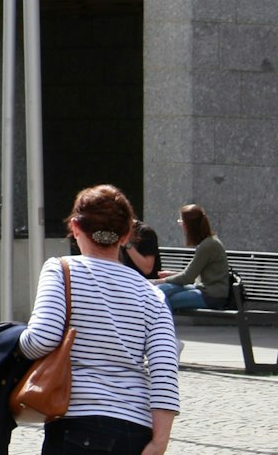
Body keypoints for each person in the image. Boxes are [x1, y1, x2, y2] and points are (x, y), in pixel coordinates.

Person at [22, 185, 180, 455]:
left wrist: (14, 341)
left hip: (78, 422)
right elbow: (165, 370)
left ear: (75, 227)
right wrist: (159, 442)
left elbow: (42, 339)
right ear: (127, 234)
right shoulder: (151, 294)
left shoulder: (61, 270)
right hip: (135, 428)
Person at [156, 203, 229, 311]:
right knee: (162, 290)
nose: (181, 226)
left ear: (189, 226)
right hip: (202, 288)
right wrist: (171, 276)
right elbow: (191, 275)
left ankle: (163, 327)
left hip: (212, 296)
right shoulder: (208, 242)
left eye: (181, 222)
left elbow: (187, 278)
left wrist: (158, 281)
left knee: (163, 299)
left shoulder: (208, 245)